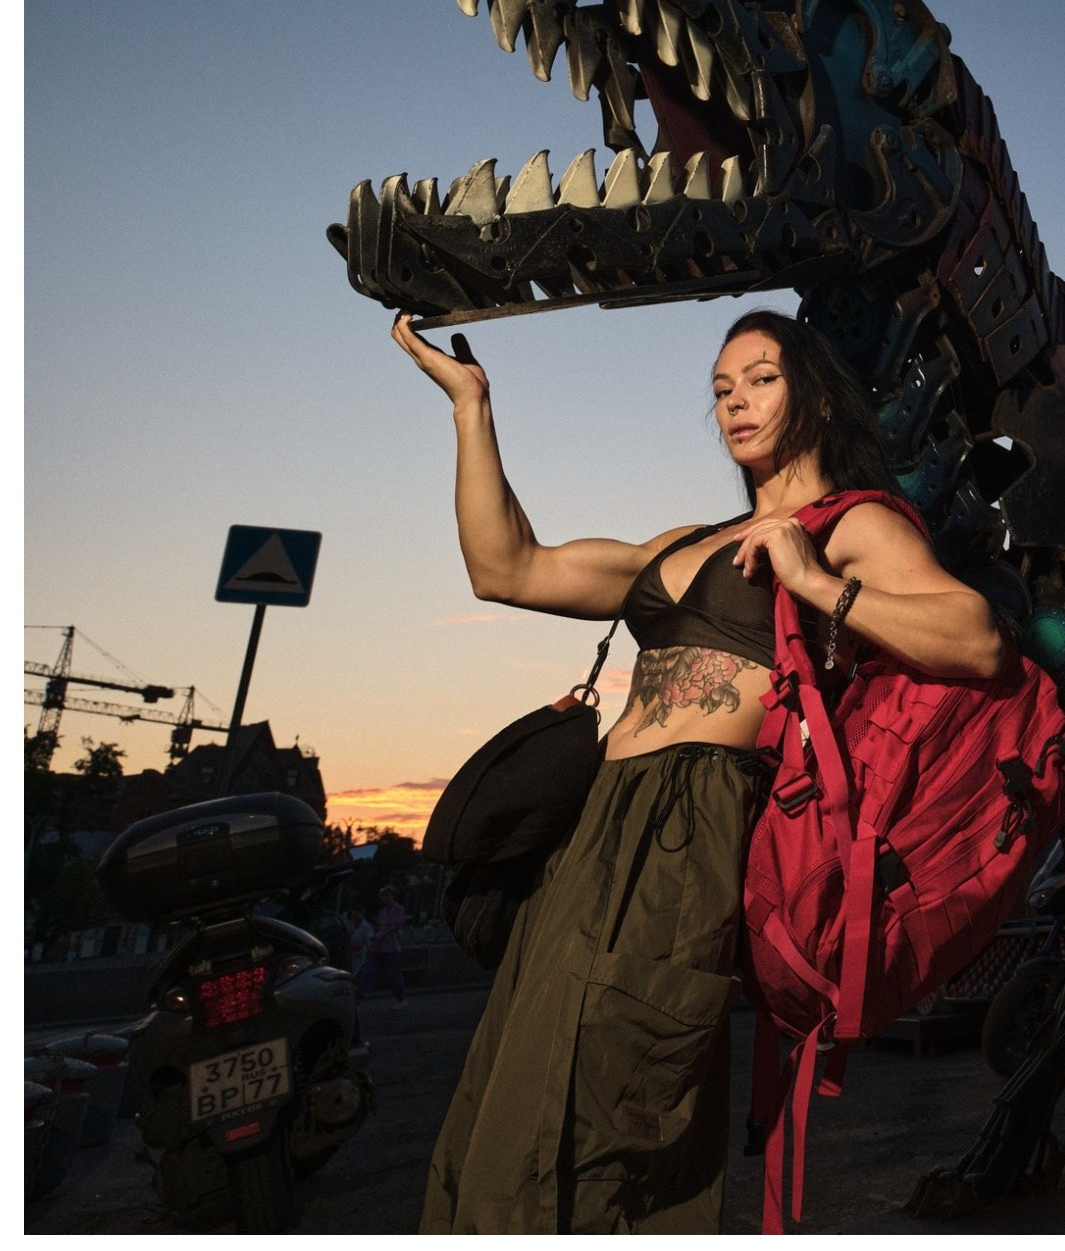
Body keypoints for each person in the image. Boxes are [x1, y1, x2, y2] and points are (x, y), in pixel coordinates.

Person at [399, 306, 1006, 1233]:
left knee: (613, 1099)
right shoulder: (686, 541)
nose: (735, 403)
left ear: (813, 392)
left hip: (696, 825)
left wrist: (811, 582)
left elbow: (976, 640)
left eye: (760, 379)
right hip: (600, 822)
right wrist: (470, 407)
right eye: (721, 389)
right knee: (519, 1081)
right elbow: (507, 568)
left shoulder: (856, 523)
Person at [356, 888, 410, 1006]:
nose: (385, 899)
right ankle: (357, 999)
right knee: (368, 972)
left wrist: (381, 935)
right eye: (383, 896)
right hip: (378, 947)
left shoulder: (399, 909)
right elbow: (380, 926)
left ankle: (401, 998)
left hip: (391, 947)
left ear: (392, 896)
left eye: (387, 896)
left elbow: (395, 926)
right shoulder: (382, 911)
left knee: (393, 975)